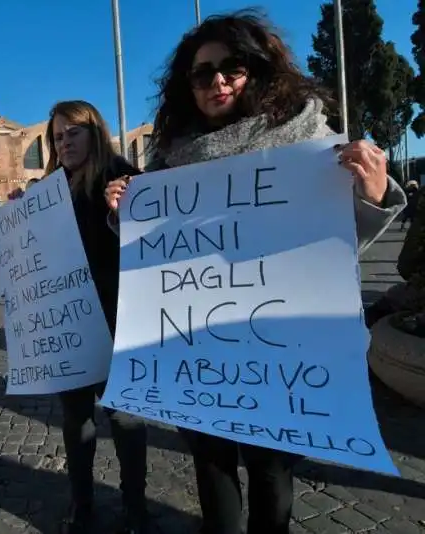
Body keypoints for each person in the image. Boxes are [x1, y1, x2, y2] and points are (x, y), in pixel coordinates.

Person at [104, 12, 406, 534]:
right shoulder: (171, 160)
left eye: (232, 67)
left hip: (280, 356)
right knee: (212, 466)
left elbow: (337, 242)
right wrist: (123, 213)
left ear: (258, 69)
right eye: (202, 74)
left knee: (271, 473)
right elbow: (159, 254)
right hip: (201, 352)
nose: (217, 81)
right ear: (188, 85)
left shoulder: (308, 139)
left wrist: (374, 193)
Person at [44, 101, 149, 534]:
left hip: (119, 318)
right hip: (69, 324)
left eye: (73, 133)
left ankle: (135, 507)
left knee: (125, 419)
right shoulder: (47, 191)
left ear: (94, 133)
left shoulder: (125, 179)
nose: (64, 143)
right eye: (56, 137)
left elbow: (154, 245)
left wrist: (120, 215)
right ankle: (82, 502)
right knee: (76, 420)